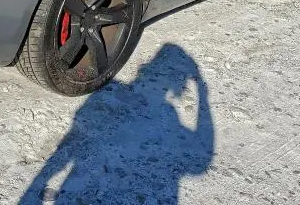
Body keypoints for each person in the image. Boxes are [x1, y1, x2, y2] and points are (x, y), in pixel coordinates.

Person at [20, 44, 214, 205]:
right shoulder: (169, 114)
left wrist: (41, 180)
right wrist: (203, 95)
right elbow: (199, 163)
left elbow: (68, 143)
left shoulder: (114, 95)